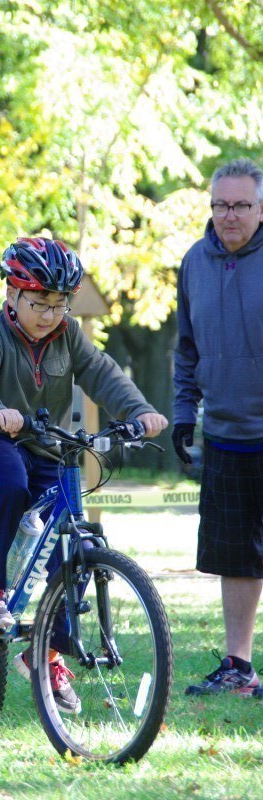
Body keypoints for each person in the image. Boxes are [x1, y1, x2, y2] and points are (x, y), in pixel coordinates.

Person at [0, 236, 168, 713]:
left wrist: (140, 411)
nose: (50, 314)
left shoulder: (67, 335)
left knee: (71, 541)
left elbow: (102, 373)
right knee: (8, 485)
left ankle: (46, 653)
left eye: (59, 304)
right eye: (39, 303)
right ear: (12, 295)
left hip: (45, 444)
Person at [172, 157, 263, 697]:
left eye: (241, 206)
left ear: (260, 208)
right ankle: (238, 668)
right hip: (225, 434)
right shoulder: (194, 263)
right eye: (221, 205)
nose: (230, 216)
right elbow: (186, 350)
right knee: (235, 556)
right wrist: (184, 413)